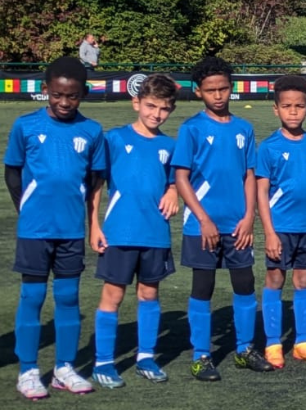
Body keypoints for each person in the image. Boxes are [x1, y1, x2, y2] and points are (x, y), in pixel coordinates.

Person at [6, 57, 105, 399]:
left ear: (83, 94)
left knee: (67, 297)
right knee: (32, 296)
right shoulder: (25, 126)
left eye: (73, 96)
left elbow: (95, 181)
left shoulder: (91, 131)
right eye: (58, 95)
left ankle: (64, 367)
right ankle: (29, 371)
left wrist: (92, 223)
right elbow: (13, 172)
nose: (64, 102)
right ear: (46, 90)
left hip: (71, 232)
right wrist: (27, 209)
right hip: (34, 230)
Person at [174, 56, 273, 380]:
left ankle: (244, 349)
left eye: (223, 89)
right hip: (202, 226)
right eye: (210, 90)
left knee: (245, 284)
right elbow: (182, 178)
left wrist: (248, 218)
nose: (218, 95)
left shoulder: (244, 128)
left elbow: (249, 176)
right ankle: (202, 355)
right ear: (199, 91)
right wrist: (203, 219)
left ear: (231, 88)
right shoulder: (191, 128)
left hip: (237, 225)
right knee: (202, 287)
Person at [90, 73, 178, 388]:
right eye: (151, 106)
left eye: (164, 109)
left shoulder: (170, 145)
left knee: (149, 293)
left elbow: (175, 181)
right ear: (136, 103)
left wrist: (173, 191)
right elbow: (96, 185)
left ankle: (145, 357)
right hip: (119, 232)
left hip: (155, 233)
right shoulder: (114, 139)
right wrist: (94, 225)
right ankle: (102, 361)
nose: (156, 114)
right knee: (112, 295)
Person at [256, 76, 306, 368]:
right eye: (286, 106)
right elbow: (261, 191)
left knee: (303, 280)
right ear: (276, 109)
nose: (293, 111)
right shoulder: (269, 147)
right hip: (281, 229)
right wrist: (269, 233)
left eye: (299, 106)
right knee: (275, 279)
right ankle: (273, 342)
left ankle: (302, 341)